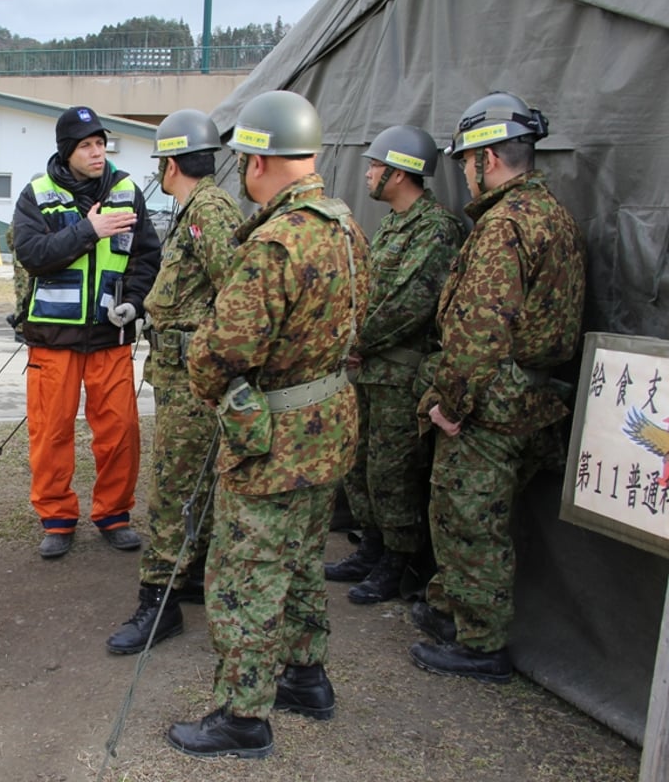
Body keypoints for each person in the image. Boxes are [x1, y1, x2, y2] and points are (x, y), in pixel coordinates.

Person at [169, 90, 370, 758]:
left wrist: (207, 374)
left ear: (257, 161)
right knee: (305, 558)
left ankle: (242, 714)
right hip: (330, 426)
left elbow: (222, 352)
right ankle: (305, 675)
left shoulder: (274, 243)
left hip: (276, 440)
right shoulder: (345, 226)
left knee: (246, 574)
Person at [408, 92, 585, 683]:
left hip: (494, 402)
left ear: (489, 159)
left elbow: (480, 327)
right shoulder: (550, 214)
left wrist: (450, 404)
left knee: (468, 518)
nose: (463, 173)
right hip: (532, 395)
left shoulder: (504, 225)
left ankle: (480, 644)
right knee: (480, 514)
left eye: (466, 161)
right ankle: (454, 610)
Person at [106, 109, 243, 654]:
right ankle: (188, 575)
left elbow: (237, 291)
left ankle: (158, 600)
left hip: (194, 376)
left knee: (173, 487)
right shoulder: (197, 208)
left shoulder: (208, 210)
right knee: (190, 481)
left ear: (170, 164)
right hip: (178, 371)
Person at [11, 105, 161, 559]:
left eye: (101, 144)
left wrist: (133, 302)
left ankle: (114, 514)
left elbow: (146, 257)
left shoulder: (127, 192)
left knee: (119, 432)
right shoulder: (36, 194)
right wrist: (88, 230)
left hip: (109, 338)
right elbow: (32, 253)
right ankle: (56, 519)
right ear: (66, 151)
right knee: (50, 432)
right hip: (52, 342)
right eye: (87, 146)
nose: (97, 153)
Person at [324, 126, 464, 605]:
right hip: (369, 373)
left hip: (400, 377)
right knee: (361, 467)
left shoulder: (436, 229)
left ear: (400, 172)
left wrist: (354, 341)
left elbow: (410, 303)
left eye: (376, 166)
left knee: (394, 472)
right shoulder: (392, 225)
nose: (368, 173)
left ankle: (399, 562)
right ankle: (374, 546)